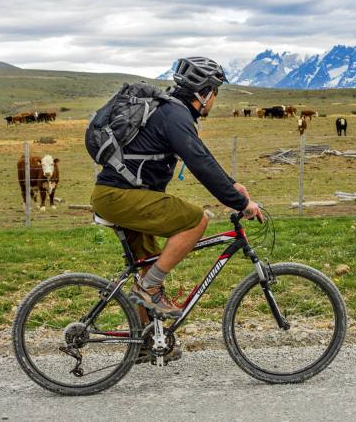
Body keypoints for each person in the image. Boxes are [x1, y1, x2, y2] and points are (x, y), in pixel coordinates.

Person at [91, 57, 264, 326]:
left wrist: (232, 184)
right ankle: (148, 290)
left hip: (120, 196)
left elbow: (201, 155)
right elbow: (200, 163)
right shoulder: (175, 115)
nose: (215, 100)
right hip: (120, 197)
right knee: (196, 219)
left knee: (149, 268)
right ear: (204, 94)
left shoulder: (170, 111)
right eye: (215, 92)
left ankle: (147, 340)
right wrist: (240, 202)